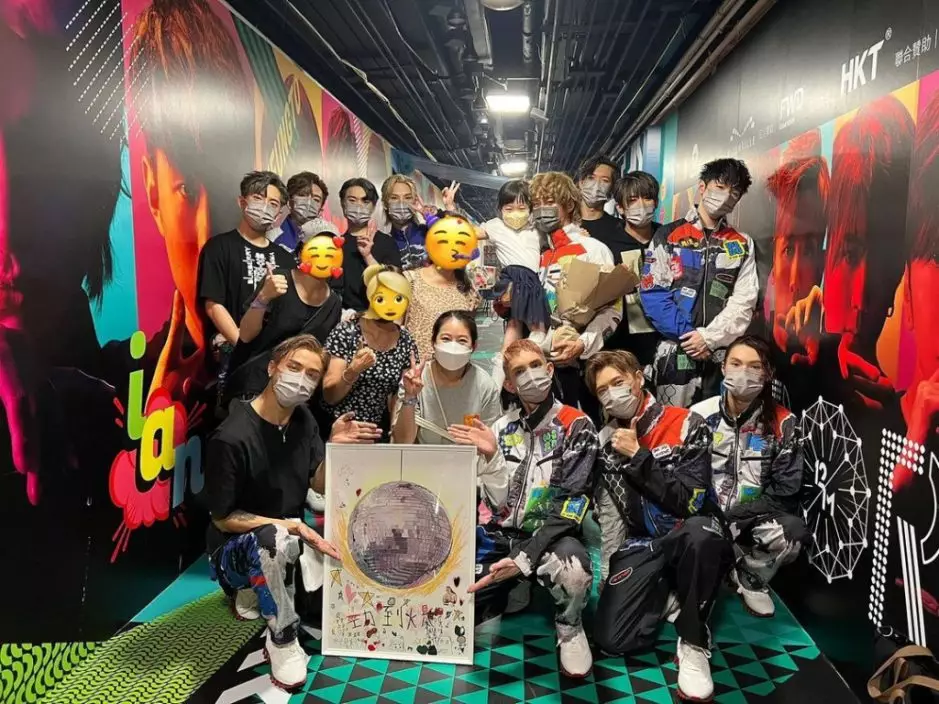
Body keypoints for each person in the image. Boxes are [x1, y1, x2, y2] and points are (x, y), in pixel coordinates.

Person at [203, 334, 382, 690]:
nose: (301, 379)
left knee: (319, 595)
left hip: (289, 541)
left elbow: (318, 483)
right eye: (294, 367)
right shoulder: (230, 437)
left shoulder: (304, 420)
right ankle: (282, 639)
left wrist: (333, 447)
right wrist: (292, 526)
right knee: (274, 540)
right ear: (272, 368)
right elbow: (222, 517)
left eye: (312, 374)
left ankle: (262, 587)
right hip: (233, 549)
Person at [586, 350, 730, 701]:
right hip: (645, 543)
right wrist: (609, 569)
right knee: (612, 639)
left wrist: (639, 457)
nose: (611, 394)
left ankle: (693, 641)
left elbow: (691, 502)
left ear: (639, 378)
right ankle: (668, 593)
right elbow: (611, 512)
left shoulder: (686, 422)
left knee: (701, 534)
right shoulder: (604, 441)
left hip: (689, 533)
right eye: (602, 390)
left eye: (618, 382)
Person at [460, 340, 597, 678]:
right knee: (457, 596)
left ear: (550, 369)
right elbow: (494, 502)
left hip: (553, 536)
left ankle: (569, 626)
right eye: (519, 371)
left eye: (536, 365)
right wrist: (491, 457)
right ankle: (514, 590)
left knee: (574, 573)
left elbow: (572, 505)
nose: (531, 375)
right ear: (509, 384)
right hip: (501, 535)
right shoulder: (499, 428)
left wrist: (524, 558)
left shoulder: (577, 425)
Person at [690, 334, 808, 618]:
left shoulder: (784, 423)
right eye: (736, 363)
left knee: (792, 533)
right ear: (723, 367)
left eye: (755, 367)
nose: (744, 373)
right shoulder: (699, 415)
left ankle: (749, 575)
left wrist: (735, 517)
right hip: (706, 513)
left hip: (752, 516)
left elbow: (785, 490)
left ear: (768, 374)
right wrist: (711, 516)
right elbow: (687, 477)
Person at [640, 157, 758, 408]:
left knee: (718, 423)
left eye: (734, 192)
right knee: (674, 424)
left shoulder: (741, 243)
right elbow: (653, 292)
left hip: (720, 353)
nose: (725, 197)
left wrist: (710, 338)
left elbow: (744, 300)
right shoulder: (668, 235)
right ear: (702, 187)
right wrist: (689, 335)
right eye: (720, 187)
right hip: (676, 350)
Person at [530, 171, 620, 418]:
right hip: (544, 365)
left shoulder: (592, 249)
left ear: (569, 205)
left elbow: (613, 310)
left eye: (549, 202)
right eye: (536, 203)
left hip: (583, 366)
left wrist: (582, 344)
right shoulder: (538, 254)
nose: (541, 209)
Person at [223, 233, 343, 405]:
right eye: (316, 251)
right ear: (302, 252)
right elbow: (246, 335)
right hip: (254, 385)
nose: (323, 259)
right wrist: (263, 297)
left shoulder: (334, 303)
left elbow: (321, 354)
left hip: (296, 393)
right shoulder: (278, 281)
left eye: (330, 253)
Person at [198, 171, 298, 346]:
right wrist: (240, 344)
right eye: (258, 198)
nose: (264, 207)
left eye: (273, 203)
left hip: (271, 352)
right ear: (242, 202)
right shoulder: (219, 247)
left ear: (278, 215)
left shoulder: (286, 259)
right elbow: (213, 305)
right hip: (231, 347)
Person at [322, 265, 418, 438]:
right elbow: (330, 396)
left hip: (376, 432)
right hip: (338, 428)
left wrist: (394, 435)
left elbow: (399, 397)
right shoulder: (347, 331)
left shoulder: (405, 340)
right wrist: (353, 371)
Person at [765, 132, 829, 364]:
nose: (794, 282)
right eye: (789, 250)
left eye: (809, 252)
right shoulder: (752, 335)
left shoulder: (832, 352)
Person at [393, 310, 502, 445]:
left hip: (469, 457)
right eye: (446, 339)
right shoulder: (415, 380)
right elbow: (403, 442)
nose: (453, 347)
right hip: (424, 457)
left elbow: (491, 442)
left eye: (462, 341)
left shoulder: (485, 386)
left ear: (473, 347)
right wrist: (410, 396)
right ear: (433, 342)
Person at [477, 179, 551, 358]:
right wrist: (447, 211)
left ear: (531, 208)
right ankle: (532, 354)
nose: (515, 214)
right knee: (536, 326)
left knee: (514, 323)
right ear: (500, 209)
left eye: (522, 208)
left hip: (533, 279)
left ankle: (505, 360)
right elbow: (467, 232)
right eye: (508, 209)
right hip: (514, 278)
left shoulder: (537, 228)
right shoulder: (495, 225)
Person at [602, 171, 663, 368]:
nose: (641, 205)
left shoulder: (667, 238)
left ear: (655, 202)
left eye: (647, 198)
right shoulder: (606, 243)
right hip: (620, 342)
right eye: (633, 200)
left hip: (663, 338)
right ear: (620, 207)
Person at [403, 214, 481, 360]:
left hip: (454, 367)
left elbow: (468, 334)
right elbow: (394, 329)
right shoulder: (410, 280)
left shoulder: (468, 291)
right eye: (445, 241)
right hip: (416, 368)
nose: (453, 249)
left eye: (461, 243)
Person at [332, 178, 401, 313]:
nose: (359, 206)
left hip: (381, 316)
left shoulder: (387, 242)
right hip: (347, 319)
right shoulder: (336, 245)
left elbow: (394, 285)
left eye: (365, 201)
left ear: (373, 207)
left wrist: (368, 256)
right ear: (342, 203)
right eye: (352, 200)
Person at [380, 174, 432, 271]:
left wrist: (432, 218)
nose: (401, 203)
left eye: (407, 197)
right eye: (394, 198)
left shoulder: (430, 232)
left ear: (415, 201)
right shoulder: (383, 243)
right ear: (385, 204)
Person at [273, 172, 329, 253]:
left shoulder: (327, 241)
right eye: (302, 195)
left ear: (320, 210)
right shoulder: (272, 237)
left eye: (316, 199)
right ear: (289, 202)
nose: (309, 202)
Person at [576, 155, 622, 243]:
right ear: (581, 183)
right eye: (591, 178)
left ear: (612, 189)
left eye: (605, 180)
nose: (596, 186)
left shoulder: (619, 229)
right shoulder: (565, 223)